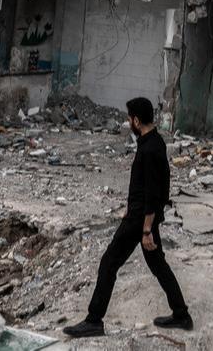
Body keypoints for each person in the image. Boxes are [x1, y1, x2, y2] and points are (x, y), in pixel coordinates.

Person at [63, 97, 192, 337]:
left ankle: (94, 320)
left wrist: (146, 230)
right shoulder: (153, 142)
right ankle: (181, 314)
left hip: (139, 221)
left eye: (129, 118)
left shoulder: (149, 149)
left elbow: (153, 193)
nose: (128, 122)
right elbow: (149, 187)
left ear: (136, 120)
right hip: (140, 216)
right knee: (158, 265)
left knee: (108, 263)